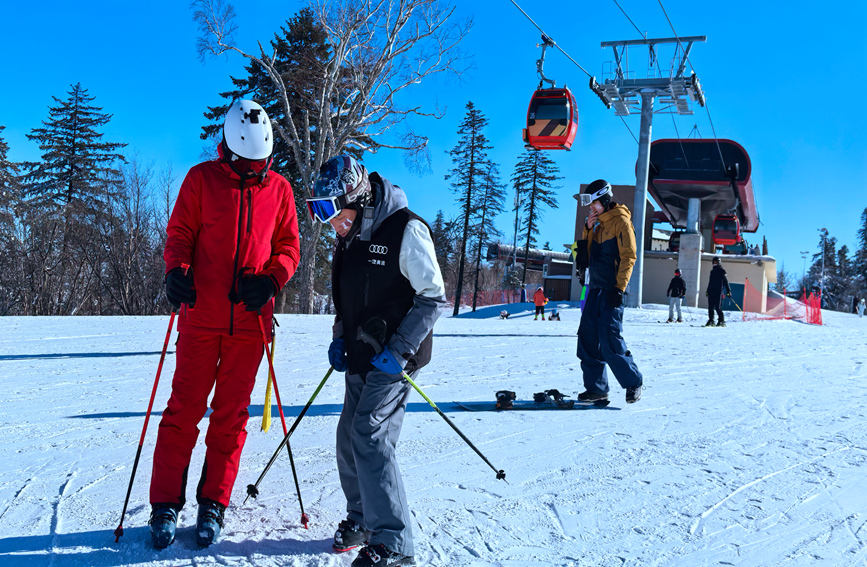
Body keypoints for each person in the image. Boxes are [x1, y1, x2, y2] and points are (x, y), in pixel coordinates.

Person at [148, 100, 300, 549]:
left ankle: (214, 502)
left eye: (262, 163)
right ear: (229, 152)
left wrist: (272, 279)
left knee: (231, 418)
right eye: (248, 163)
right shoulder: (200, 181)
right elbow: (179, 236)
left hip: (250, 326)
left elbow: (289, 247)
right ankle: (164, 505)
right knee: (183, 411)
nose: (256, 170)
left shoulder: (280, 190)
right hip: (200, 318)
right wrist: (176, 270)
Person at [308, 155, 445, 567]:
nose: (330, 222)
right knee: (348, 434)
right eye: (321, 212)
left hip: (397, 356)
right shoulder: (348, 237)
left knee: (370, 433)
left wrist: (399, 349)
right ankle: (363, 518)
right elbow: (347, 298)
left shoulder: (407, 229)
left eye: (332, 210)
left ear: (357, 198)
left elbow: (433, 298)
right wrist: (339, 337)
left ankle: (394, 541)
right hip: (361, 352)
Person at [573, 180, 644, 404]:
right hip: (594, 288)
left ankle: (634, 382)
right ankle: (596, 389)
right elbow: (588, 253)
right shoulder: (596, 224)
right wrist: (587, 230)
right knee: (587, 337)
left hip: (611, 288)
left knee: (610, 339)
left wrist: (619, 288)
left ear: (604, 199)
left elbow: (629, 257)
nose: (590, 208)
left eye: (593, 203)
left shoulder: (621, 222)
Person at [705, 256, 732, 327]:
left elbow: (726, 282)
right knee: (710, 307)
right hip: (711, 291)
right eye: (713, 262)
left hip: (718, 291)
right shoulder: (712, 272)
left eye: (715, 262)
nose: (714, 263)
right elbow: (710, 282)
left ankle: (721, 320)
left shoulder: (722, 271)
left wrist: (728, 291)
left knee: (717, 307)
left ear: (718, 262)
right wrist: (707, 290)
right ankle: (711, 320)